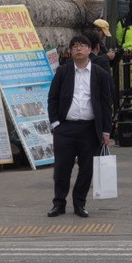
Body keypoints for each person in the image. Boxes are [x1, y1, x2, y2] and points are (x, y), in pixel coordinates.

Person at [46, 31, 115, 217]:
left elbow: (106, 104)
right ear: (71, 51)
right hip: (65, 128)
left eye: (82, 46)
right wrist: (55, 124)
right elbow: (52, 98)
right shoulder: (63, 71)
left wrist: (106, 131)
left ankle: (79, 203)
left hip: (90, 129)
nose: (78, 49)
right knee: (62, 168)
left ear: (89, 50)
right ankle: (59, 203)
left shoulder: (99, 74)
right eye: (74, 46)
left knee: (86, 169)